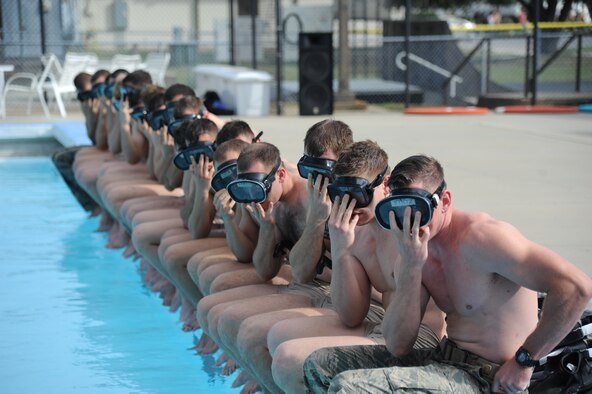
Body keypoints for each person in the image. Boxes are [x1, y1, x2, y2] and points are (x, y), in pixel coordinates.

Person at [305, 154, 592, 393]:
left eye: (419, 209)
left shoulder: (485, 238)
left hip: (490, 377)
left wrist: (524, 362)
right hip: (445, 358)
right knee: (319, 365)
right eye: (400, 210)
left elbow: (577, 288)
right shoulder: (412, 246)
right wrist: (411, 270)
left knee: (350, 388)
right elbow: (398, 344)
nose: (411, 223)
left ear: (444, 201)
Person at [267, 142, 445, 394]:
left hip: (419, 338)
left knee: (289, 358)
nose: (350, 205)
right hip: (383, 325)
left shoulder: (411, 227)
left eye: (357, 194)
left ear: (385, 183)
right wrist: (341, 250)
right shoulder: (356, 233)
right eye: (340, 194)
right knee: (277, 335)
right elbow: (351, 315)